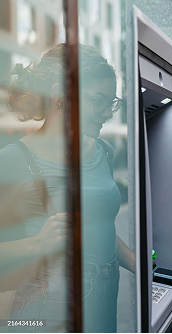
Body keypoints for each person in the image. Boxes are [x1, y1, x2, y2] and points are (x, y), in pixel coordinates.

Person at [0, 44, 135, 332]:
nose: (106, 112)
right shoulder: (13, 159)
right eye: (97, 100)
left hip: (104, 297)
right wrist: (36, 244)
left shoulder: (104, 151)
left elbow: (101, 227)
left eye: (110, 102)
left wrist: (143, 265)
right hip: (44, 308)